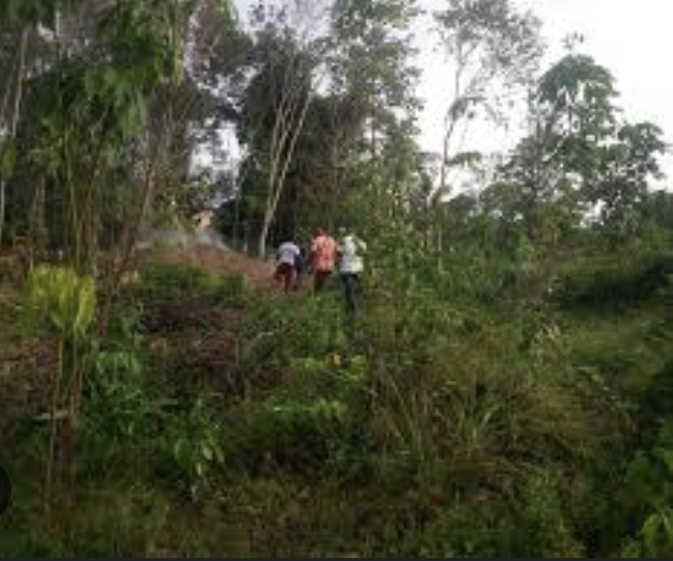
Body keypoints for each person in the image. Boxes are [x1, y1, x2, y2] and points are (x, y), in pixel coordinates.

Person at [338, 229, 366, 313]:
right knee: (356, 291)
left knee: (350, 291)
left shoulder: (345, 241)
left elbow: (338, 251)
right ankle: (356, 310)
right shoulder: (361, 243)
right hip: (357, 270)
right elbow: (364, 251)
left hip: (347, 270)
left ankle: (353, 310)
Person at [310, 228, 337, 293]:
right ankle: (324, 295)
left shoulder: (317, 240)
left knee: (318, 282)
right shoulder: (332, 240)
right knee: (326, 281)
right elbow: (336, 251)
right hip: (330, 264)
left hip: (319, 264)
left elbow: (313, 251)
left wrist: (311, 262)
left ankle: (317, 296)